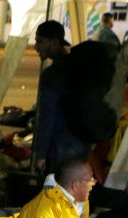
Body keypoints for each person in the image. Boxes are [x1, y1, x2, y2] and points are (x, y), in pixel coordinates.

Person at [33, 20, 88, 174]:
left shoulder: (52, 74)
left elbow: (47, 115)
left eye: (40, 41)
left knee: (57, 192)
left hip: (61, 145)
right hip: (82, 143)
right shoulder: (79, 65)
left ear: (55, 42)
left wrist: (41, 153)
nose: (36, 46)